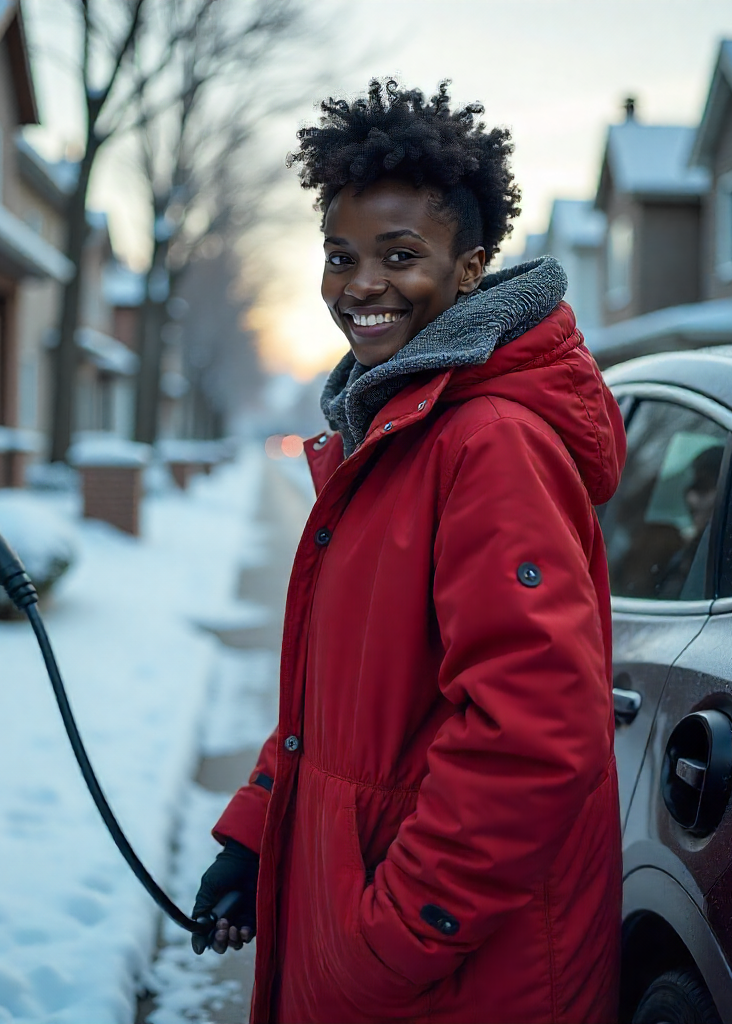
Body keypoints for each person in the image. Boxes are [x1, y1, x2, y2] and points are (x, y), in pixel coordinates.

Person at [192, 79, 626, 1024]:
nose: (361, 284)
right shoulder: (393, 430)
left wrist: (391, 940)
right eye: (341, 256)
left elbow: (537, 734)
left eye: (401, 255)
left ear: (469, 269)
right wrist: (259, 836)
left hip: (455, 977)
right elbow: (346, 695)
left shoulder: (488, 443)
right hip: (382, 942)